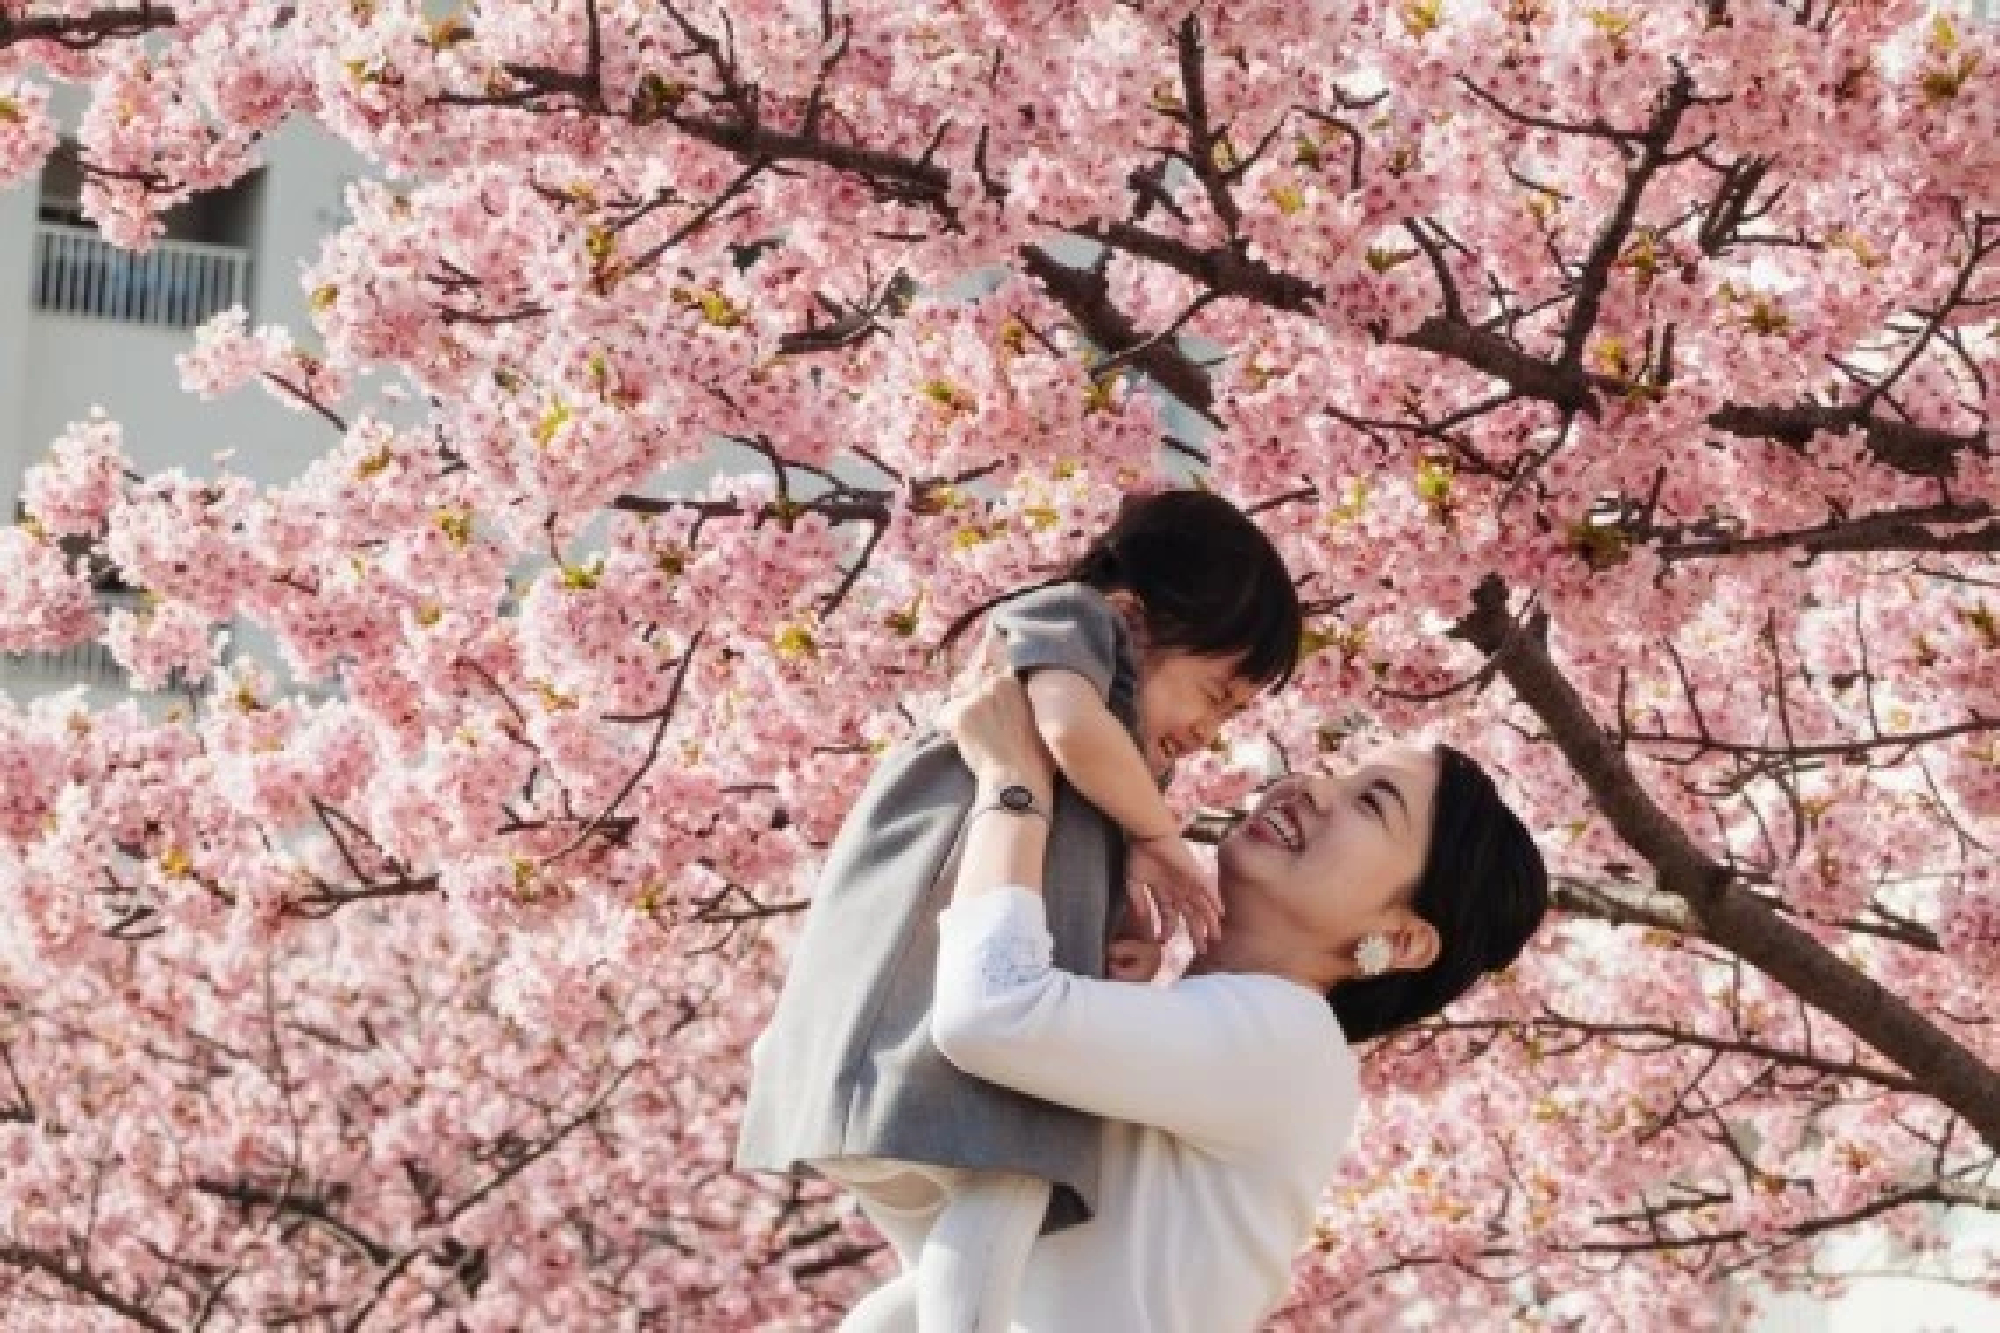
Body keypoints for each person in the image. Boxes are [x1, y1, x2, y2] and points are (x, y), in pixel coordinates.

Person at [736, 489, 1304, 1331]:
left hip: (941, 1060)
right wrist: (1157, 831)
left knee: (958, 1261)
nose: (1211, 730)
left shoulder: (1129, 768)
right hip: (914, 1011)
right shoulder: (1073, 626)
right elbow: (1068, 727)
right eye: (1215, 693)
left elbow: (1070, 866)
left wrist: (1122, 948)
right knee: (1011, 1178)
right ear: (1134, 620)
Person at [841, 670, 1549, 1332]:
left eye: (1370, 802)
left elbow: (989, 1015)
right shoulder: (1232, 1041)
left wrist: (1012, 783)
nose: (1310, 788)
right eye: (1333, 770)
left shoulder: (1291, 1043)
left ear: (1401, 939)